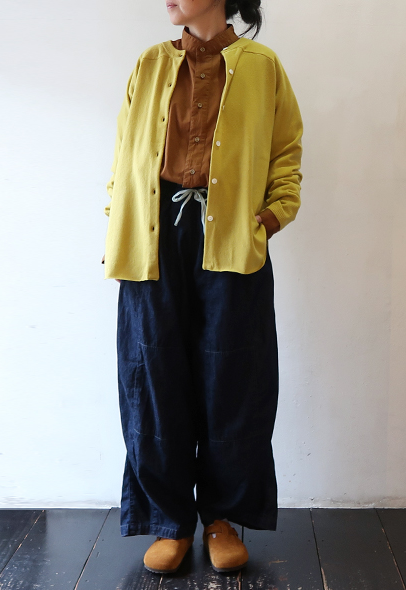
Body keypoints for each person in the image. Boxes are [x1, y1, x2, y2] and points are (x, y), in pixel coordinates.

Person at [102, 0, 303, 576]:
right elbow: (124, 151)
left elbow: (286, 149)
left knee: (233, 377)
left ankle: (221, 518)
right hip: (152, 237)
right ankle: (170, 520)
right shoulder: (149, 63)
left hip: (232, 233)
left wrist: (272, 215)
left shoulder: (262, 65)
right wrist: (118, 213)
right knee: (152, 373)